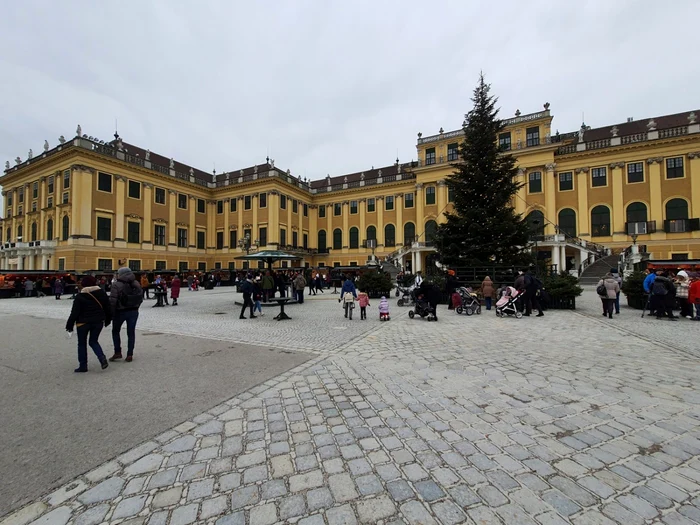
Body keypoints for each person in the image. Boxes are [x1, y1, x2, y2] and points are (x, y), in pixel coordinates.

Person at [65, 276, 111, 373]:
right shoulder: (102, 293)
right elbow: (108, 308)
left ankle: (83, 366)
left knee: (82, 344)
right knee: (94, 341)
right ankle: (101, 357)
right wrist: (108, 319)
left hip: (82, 323)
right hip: (98, 322)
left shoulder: (80, 296)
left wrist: (69, 324)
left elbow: (74, 312)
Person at [109, 267, 144, 362]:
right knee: (131, 332)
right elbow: (140, 297)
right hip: (133, 311)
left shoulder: (116, 284)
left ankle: (117, 352)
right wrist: (136, 307)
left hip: (120, 311)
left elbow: (113, 301)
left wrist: (110, 314)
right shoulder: (136, 283)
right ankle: (130, 354)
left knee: (115, 331)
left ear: (121, 274)